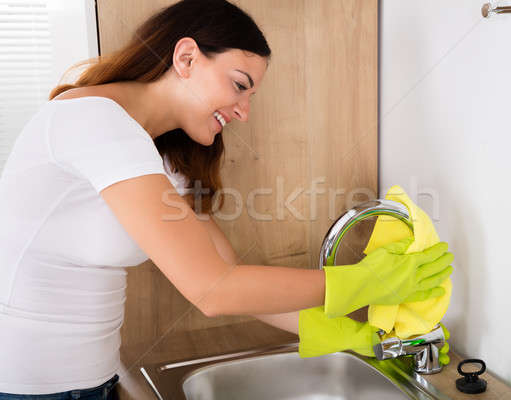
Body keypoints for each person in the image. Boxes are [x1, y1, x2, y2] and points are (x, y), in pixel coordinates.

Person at [0, 0, 453, 398]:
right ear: (186, 57)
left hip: (92, 382)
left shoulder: (154, 156)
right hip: (30, 389)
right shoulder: (95, 124)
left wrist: (355, 336)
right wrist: (365, 281)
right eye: (240, 85)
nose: (244, 111)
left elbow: (230, 273)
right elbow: (213, 290)